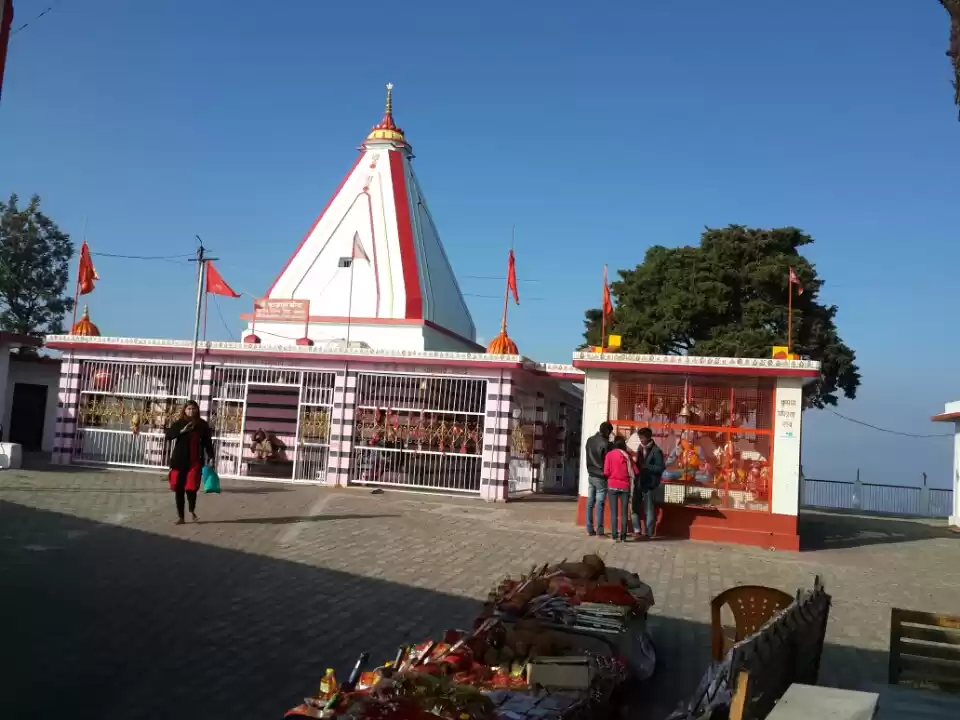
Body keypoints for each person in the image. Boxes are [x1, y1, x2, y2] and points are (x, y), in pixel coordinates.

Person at [165, 400, 215, 525]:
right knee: (179, 489)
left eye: (193, 408)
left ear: (197, 410)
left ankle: (192, 510)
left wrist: (211, 456)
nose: (191, 411)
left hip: (195, 461)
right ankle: (181, 517)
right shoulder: (179, 423)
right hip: (180, 461)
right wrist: (182, 430)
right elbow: (169, 436)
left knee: (191, 488)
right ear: (184, 410)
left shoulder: (202, 425)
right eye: (188, 409)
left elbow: (208, 442)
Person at [603, 436, 638, 543]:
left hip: (612, 485)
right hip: (625, 486)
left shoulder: (609, 455)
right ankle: (623, 536)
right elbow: (635, 471)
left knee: (614, 512)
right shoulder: (627, 455)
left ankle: (614, 535)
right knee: (624, 512)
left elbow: (606, 472)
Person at [632, 427, 665, 540]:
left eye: (642, 438)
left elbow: (660, 468)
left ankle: (648, 532)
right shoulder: (639, 449)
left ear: (648, 437)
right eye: (639, 438)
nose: (641, 440)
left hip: (650, 484)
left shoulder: (656, 451)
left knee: (649, 509)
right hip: (638, 482)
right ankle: (637, 530)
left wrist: (647, 467)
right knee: (635, 507)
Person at [584, 421, 613, 536]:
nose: (610, 435)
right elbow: (608, 461)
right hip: (601, 476)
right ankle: (600, 530)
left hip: (591, 474)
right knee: (600, 503)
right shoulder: (606, 444)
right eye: (610, 432)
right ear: (607, 431)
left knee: (590, 502)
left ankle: (589, 528)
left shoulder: (590, 440)